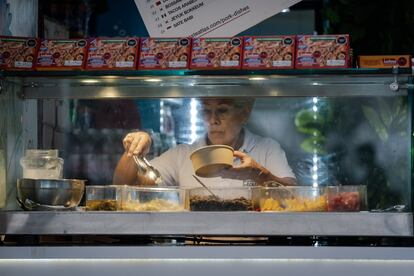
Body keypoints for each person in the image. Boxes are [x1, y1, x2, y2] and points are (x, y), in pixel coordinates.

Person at [113, 98, 297, 188]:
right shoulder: (183, 155)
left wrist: (258, 174)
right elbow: (126, 185)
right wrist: (133, 149)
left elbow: (293, 197)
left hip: (253, 251)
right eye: (206, 111)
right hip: (195, 254)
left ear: (245, 113)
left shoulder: (266, 148)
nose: (213, 120)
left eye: (222, 110)